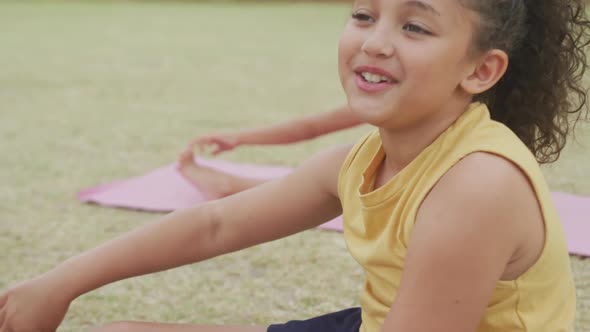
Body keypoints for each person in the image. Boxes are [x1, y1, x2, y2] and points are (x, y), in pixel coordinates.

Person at [1, 0, 589, 331]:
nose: (375, 42)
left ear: (480, 70)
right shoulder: (361, 160)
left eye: (414, 26)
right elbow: (216, 225)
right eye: (363, 15)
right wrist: (61, 284)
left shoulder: (477, 185)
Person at [177, 104, 361, 198]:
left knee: (338, 162)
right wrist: (239, 138)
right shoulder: (382, 99)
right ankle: (230, 186)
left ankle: (230, 186)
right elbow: (312, 127)